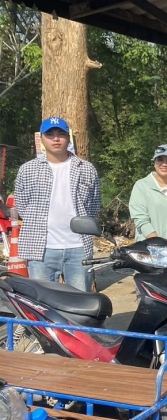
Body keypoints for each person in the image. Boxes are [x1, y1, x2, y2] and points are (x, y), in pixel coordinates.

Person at [14, 117, 101, 291]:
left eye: (61, 134)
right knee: (43, 302)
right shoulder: (27, 170)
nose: (56, 139)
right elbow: (22, 205)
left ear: (68, 138)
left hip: (78, 248)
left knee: (79, 302)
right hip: (40, 250)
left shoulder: (86, 168)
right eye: (50, 134)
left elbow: (94, 205)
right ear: (41, 139)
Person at [129, 144, 167, 278]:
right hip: (148, 254)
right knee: (151, 291)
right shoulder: (141, 186)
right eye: (160, 159)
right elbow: (140, 218)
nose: (164, 164)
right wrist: (158, 245)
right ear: (154, 163)